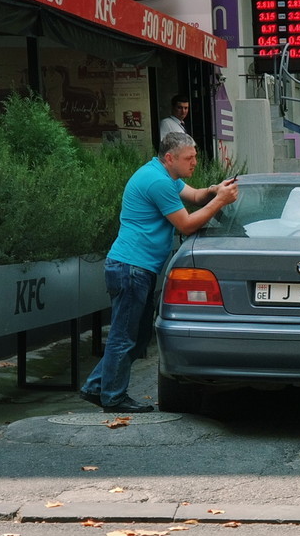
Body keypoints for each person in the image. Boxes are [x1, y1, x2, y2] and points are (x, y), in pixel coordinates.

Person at [80, 133, 238, 413]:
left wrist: (214, 191)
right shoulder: (157, 181)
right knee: (124, 336)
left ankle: (97, 387)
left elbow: (195, 196)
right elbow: (186, 225)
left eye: (195, 157)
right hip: (131, 268)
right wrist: (220, 202)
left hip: (137, 268)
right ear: (170, 158)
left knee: (138, 336)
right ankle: (113, 398)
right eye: (189, 158)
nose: (195, 162)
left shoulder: (165, 175)